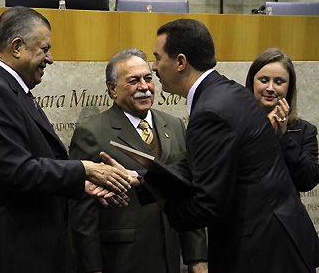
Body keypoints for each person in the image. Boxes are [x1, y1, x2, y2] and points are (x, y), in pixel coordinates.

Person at [125, 18, 319, 272]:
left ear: (181, 62)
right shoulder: (229, 91)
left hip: (260, 253)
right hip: (279, 241)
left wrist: (167, 205)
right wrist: (143, 177)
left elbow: (210, 205)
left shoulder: (210, 110)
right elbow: (205, 164)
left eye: (158, 58)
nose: (155, 67)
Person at [0, 6, 131, 273]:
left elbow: (36, 161)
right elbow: (19, 171)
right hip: (7, 250)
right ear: (16, 47)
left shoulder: (11, 88)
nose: (51, 58)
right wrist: (87, 168)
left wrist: (80, 184)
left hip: (26, 245)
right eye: (44, 49)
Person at [68, 48, 208, 273]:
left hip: (171, 258)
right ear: (113, 89)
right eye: (133, 81)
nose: (144, 87)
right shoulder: (92, 134)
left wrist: (198, 257)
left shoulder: (175, 125)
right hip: (123, 259)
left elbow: (188, 191)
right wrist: (91, 268)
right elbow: (82, 213)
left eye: (148, 78)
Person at [246, 48, 319, 192]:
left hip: (284, 212)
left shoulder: (304, 130)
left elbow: (307, 181)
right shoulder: (235, 123)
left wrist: (283, 137)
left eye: (279, 82)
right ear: (252, 82)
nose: (271, 88)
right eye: (264, 80)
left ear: (289, 87)